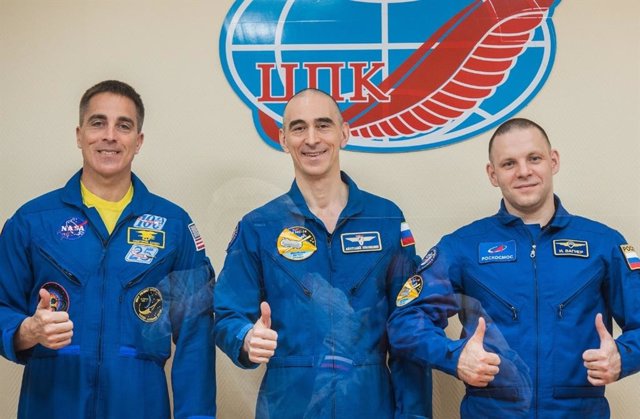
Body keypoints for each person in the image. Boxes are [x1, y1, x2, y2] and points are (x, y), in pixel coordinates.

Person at [388, 117, 640, 418]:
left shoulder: (604, 244)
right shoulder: (462, 246)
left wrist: (623, 357)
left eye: (534, 158)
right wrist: (454, 357)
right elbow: (404, 322)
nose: (524, 172)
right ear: (492, 174)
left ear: (553, 161)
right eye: (509, 164)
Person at [0, 80, 216, 419]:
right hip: (53, 402)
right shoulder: (32, 221)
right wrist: (26, 331)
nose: (110, 136)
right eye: (98, 122)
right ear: (79, 134)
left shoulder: (174, 226)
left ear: (138, 140)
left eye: (124, 126)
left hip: (140, 404)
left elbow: (195, 337)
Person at [214, 88, 431, 419]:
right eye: (299, 128)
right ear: (283, 138)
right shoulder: (259, 226)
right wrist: (245, 338)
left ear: (344, 133)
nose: (311, 139)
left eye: (323, 125)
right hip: (289, 406)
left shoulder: (386, 218)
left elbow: (410, 326)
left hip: (371, 404)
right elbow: (227, 314)